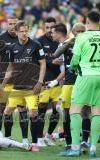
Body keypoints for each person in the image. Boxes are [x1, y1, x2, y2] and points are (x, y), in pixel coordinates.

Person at [65, 10, 100, 157]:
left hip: (85, 75)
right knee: (96, 112)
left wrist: (73, 68)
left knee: (74, 110)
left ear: (87, 22)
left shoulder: (82, 37)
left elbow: (75, 60)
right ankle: (93, 148)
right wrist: (99, 69)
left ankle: (74, 148)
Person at [1, 21, 46, 152]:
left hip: (32, 87)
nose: (25, 33)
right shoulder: (12, 48)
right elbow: (11, 66)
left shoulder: (36, 46)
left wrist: (40, 82)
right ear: (16, 32)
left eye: (26, 31)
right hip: (17, 87)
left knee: (33, 114)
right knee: (7, 112)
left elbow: (42, 64)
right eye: (22, 31)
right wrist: (4, 82)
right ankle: (10, 138)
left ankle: (34, 142)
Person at [0, 16, 28, 141]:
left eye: (14, 24)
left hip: (20, 80)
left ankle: (13, 137)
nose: (12, 26)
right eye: (10, 23)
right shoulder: (0, 38)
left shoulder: (23, 38)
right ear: (6, 24)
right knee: (1, 108)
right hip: (2, 79)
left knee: (21, 108)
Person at [37, 17, 63, 147]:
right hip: (44, 80)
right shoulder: (39, 41)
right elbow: (36, 60)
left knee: (56, 109)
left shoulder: (60, 41)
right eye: (47, 27)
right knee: (41, 109)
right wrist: (51, 61)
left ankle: (48, 136)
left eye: (52, 28)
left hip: (57, 79)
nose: (49, 30)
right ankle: (38, 138)